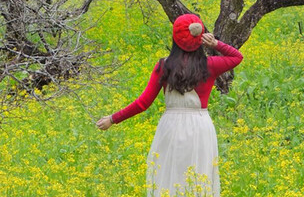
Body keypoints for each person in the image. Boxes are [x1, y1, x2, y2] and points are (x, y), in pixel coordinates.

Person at [96, 14, 243, 197]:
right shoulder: (210, 65)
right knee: (198, 177)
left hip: (171, 125)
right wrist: (215, 44)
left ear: (175, 38)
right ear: (200, 38)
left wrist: (112, 119)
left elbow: (143, 103)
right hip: (200, 126)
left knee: (169, 178)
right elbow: (237, 57)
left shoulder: (164, 66)